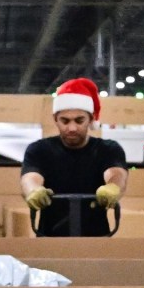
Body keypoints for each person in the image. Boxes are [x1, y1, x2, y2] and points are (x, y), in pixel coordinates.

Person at [19, 78, 127, 236]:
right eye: (65, 121)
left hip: (96, 240)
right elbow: (30, 177)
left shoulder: (108, 149)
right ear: (55, 119)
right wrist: (33, 191)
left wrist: (113, 187)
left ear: (90, 119)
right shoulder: (39, 150)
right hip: (49, 239)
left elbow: (116, 173)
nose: (72, 128)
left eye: (79, 120)